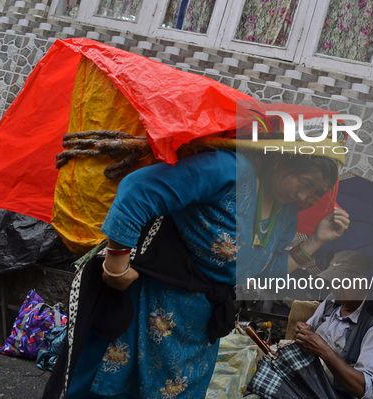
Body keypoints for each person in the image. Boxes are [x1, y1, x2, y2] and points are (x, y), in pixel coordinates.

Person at [57, 147, 350, 398]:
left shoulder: (286, 215)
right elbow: (139, 190)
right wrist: (116, 266)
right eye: (305, 182)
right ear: (280, 161)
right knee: (117, 388)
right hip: (150, 305)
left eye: (316, 191)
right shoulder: (227, 169)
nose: (305, 194)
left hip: (199, 329)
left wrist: (316, 241)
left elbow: (261, 274)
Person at [294, 250, 373, 399]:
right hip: (311, 384)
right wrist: (302, 331)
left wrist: (325, 351)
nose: (336, 286)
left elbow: (366, 390)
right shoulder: (331, 302)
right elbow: (308, 328)